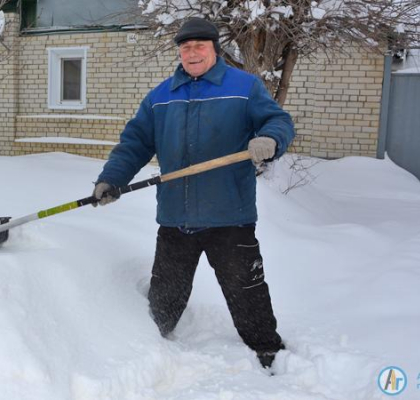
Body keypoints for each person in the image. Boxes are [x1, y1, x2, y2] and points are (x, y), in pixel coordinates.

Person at [91, 17, 295, 370]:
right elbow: (135, 143)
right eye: (185, 48)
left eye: (199, 46)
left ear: (214, 49)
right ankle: (148, 346)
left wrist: (271, 139)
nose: (192, 53)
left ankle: (268, 350)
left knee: (247, 290)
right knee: (164, 298)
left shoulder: (244, 87)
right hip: (176, 216)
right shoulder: (160, 97)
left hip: (229, 215)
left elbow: (278, 122)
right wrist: (112, 179)